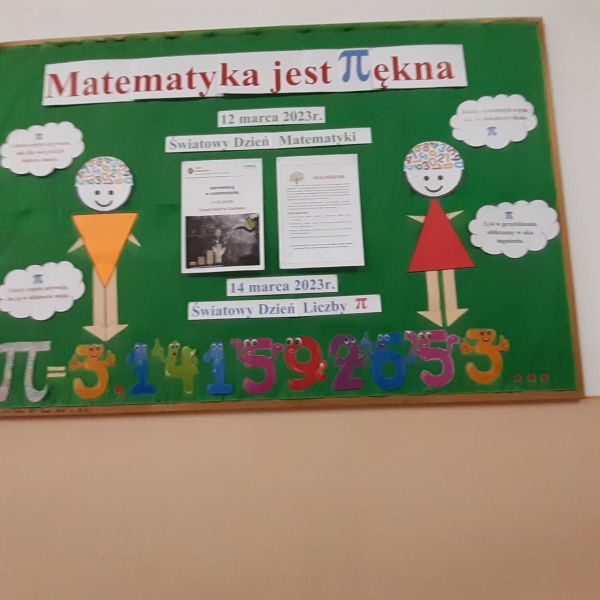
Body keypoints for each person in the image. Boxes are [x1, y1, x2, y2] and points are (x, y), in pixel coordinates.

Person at [404, 141, 473, 326]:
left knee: (448, 271)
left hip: (446, 243)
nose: (433, 184)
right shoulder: (432, 211)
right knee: (431, 274)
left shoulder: (438, 210)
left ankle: (450, 306)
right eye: (426, 178)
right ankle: (434, 308)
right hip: (429, 245)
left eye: (440, 177)